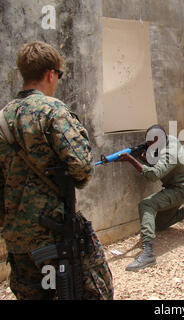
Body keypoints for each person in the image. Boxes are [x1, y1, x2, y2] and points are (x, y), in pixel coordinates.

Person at [0, 41, 113, 299]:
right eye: (59, 75)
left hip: (18, 240)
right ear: (51, 74)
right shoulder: (52, 111)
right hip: (55, 235)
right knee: (94, 290)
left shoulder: (3, 118)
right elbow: (83, 169)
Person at [118, 125, 184, 271]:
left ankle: (148, 253)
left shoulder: (169, 153)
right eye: (147, 143)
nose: (147, 146)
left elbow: (154, 175)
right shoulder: (169, 140)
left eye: (150, 143)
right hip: (175, 188)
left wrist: (132, 160)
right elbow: (158, 162)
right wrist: (145, 158)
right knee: (159, 225)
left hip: (180, 190)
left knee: (146, 205)